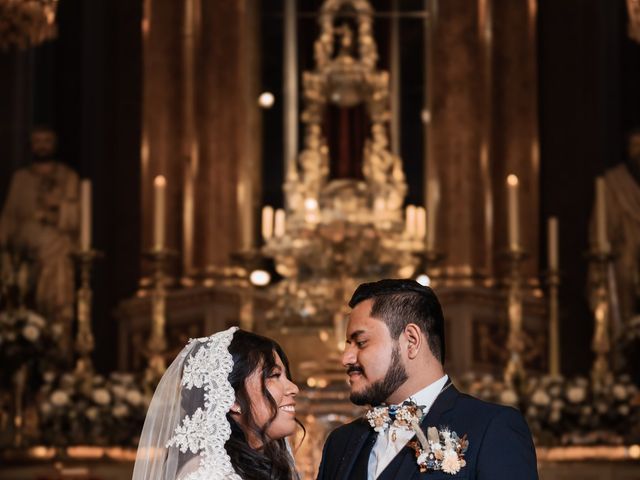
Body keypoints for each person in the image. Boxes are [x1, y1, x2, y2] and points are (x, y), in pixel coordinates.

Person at [317, 279, 538, 480]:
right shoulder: (340, 442)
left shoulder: (492, 428)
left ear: (411, 341)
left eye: (361, 342)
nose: (345, 358)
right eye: (348, 344)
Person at [132, 327, 301, 480]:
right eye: (274, 375)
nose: (293, 388)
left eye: (286, 376)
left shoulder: (265, 464)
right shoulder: (207, 475)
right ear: (232, 399)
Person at [0, 127, 79, 349]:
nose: (42, 145)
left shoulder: (67, 177)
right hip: (26, 258)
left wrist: (57, 208)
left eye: (47, 140)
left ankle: (60, 351)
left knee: (59, 306)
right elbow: (8, 219)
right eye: (37, 141)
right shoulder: (21, 179)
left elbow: (75, 218)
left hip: (57, 256)